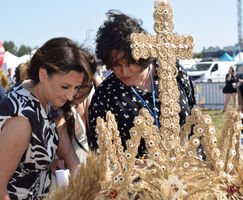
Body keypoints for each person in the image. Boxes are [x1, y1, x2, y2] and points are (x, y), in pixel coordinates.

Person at [88, 10, 196, 157]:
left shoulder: (172, 71)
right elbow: (99, 152)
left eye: (130, 63)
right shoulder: (105, 95)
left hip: (187, 172)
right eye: (116, 65)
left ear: (143, 55)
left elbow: (194, 119)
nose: (125, 72)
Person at [0, 37, 92, 200]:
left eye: (76, 87)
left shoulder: (45, 98)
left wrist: (46, 165)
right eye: (65, 86)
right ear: (43, 74)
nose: (71, 95)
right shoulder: (22, 119)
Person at [53, 57, 101, 163]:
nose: (77, 93)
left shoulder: (95, 96)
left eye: (84, 86)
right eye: (73, 87)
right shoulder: (56, 106)